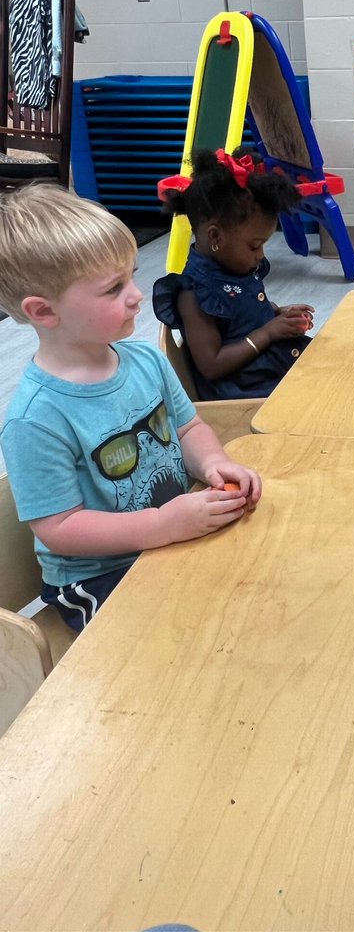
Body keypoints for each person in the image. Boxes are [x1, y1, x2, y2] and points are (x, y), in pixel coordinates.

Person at [0, 182, 261, 631]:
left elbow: (187, 428)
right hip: (98, 577)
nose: (137, 295)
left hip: (168, 536)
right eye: (113, 288)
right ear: (44, 312)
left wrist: (214, 463)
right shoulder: (36, 419)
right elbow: (60, 527)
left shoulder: (145, 361)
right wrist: (162, 525)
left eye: (132, 276)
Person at [153, 149, 315, 401]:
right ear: (215, 237)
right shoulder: (194, 294)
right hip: (241, 390)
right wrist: (269, 332)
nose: (260, 255)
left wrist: (277, 312)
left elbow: (241, 312)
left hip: (264, 367)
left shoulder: (235, 266)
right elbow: (212, 365)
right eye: (254, 246)